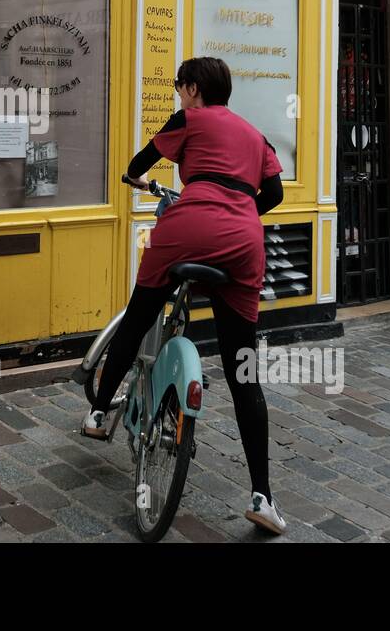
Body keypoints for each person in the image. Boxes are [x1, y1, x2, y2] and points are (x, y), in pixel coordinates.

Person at [81, 56, 287, 534]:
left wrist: (143, 181)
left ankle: (97, 412)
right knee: (243, 370)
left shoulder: (188, 120)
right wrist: (239, 209)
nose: (178, 93)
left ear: (193, 89)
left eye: (180, 86)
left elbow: (140, 165)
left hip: (187, 226)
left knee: (138, 316)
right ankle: (263, 497)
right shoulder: (256, 135)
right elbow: (273, 194)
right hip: (243, 240)